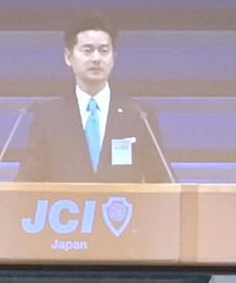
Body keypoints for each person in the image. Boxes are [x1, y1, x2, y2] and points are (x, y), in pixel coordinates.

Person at [15, 17, 172, 184]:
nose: (96, 58)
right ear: (68, 57)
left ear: (113, 58)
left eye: (104, 51)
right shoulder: (48, 117)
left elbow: (164, 183)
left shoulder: (139, 115)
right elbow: (26, 183)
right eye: (87, 50)